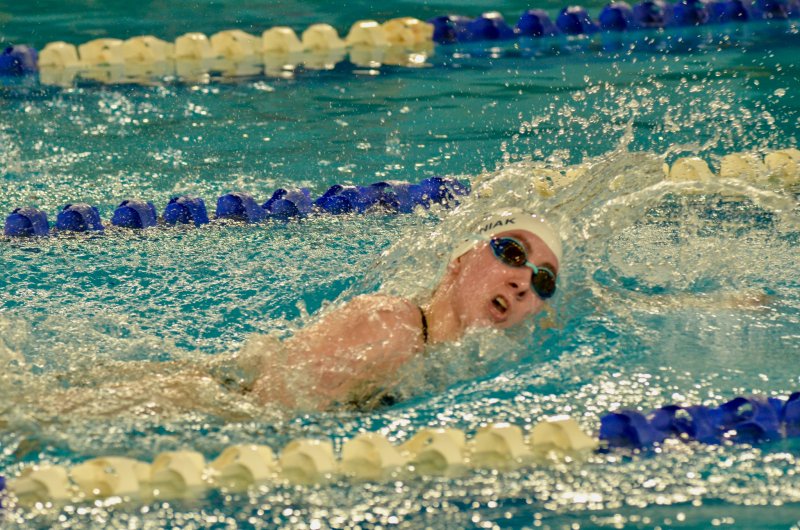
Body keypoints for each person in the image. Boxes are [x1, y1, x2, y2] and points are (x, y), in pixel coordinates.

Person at [245, 207, 562, 411]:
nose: (524, 281)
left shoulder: (468, 368)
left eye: (544, 280)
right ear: (460, 258)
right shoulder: (388, 325)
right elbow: (264, 411)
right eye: (512, 251)